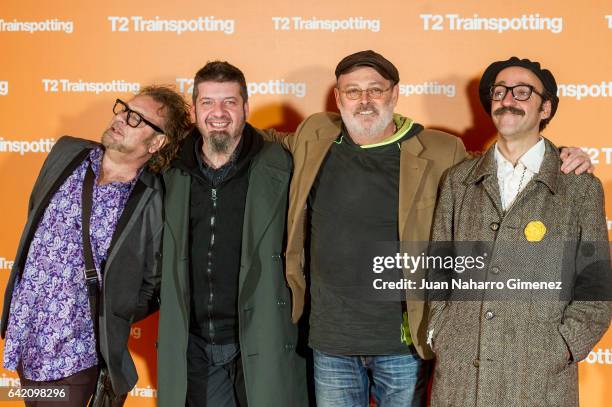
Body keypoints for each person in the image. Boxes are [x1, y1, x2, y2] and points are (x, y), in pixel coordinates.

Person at [264, 50, 594, 407]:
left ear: (394, 94)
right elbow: (263, 140)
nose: (364, 101)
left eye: (375, 89)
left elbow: (510, 160)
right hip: (329, 341)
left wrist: (560, 154)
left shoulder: (440, 149)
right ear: (338, 98)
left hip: (402, 345)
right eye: (353, 91)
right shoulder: (315, 132)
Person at [427, 57, 611, 406]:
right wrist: (441, 330)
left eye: (522, 92)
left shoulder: (580, 187)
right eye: (499, 91)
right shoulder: (458, 181)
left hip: (539, 379)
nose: (507, 98)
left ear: (545, 107)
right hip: (462, 373)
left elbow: (596, 289)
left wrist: (563, 346)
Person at [1, 85, 191, 406]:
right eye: (123, 109)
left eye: (136, 119)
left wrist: (108, 313)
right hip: (25, 334)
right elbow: (36, 219)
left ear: (157, 142)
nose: (121, 118)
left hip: (76, 353)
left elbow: (153, 284)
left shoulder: (153, 198)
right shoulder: (65, 153)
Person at [156, 61, 308, 407]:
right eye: (208, 102)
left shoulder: (281, 164)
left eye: (229, 102)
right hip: (195, 345)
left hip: (261, 337)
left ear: (246, 108)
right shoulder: (170, 171)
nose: (219, 113)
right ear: (193, 111)